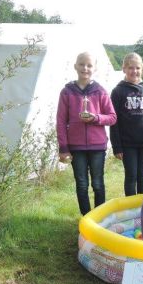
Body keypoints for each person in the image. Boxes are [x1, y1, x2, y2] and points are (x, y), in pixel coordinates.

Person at [56, 52, 117, 215]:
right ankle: (86, 218)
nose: (85, 68)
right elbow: (61, 121)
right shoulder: (67, 92)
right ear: (75, 66)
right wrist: (63, 147)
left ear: (95, 68)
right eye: (82, 64)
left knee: (97, 183)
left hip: (97, 146)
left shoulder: (100, 91)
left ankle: (99, 218)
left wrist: (95, 118)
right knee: (82, 184)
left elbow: (112, 117)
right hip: (76, 147)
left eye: (89, 65)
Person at [110, 53, 143, 196]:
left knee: (142, 175)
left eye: (137, 68)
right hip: (127, 144)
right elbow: (114, 121)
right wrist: (117, 146)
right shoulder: (118, 91)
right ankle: (131, 207)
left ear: (142, 69)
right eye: (130, 68)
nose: (134, 71)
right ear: (124, 69)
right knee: (131, 175)